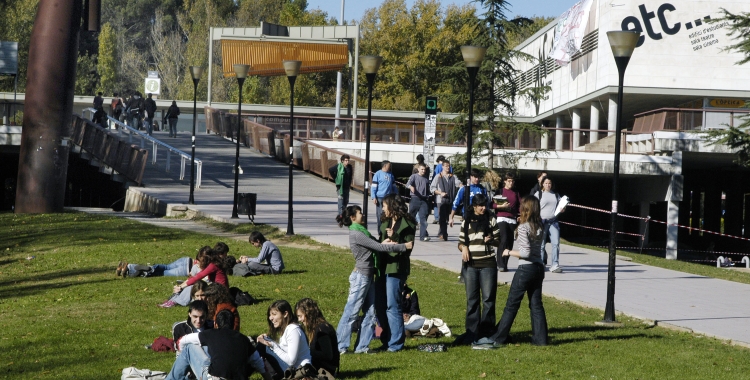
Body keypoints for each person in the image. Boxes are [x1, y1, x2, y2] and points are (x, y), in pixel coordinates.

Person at [472, 196, 549, 349]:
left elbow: (525, 253)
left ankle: (498, 338)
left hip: (526, 268)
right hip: (538, 268)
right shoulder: (539, 226)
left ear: (525, 209)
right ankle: (541, 339)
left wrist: (508, 252)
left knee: (511, 305)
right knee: (536, 305)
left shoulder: (523, 227)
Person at [336, 205, 412, 354]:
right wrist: (404, 246)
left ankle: (362, 347)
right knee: (351, 312)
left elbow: (377, 244)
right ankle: (340, 346)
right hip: (361, 277)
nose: (362, 215)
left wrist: (387, 240)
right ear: (353, 218)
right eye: (360, 213)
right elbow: (379, 248)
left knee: (371, 312)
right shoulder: (357, 233)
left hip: (369, 275)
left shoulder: (362, 232)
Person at [165, 309, 269, 380]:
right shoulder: (244, 339)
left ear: (215, 324)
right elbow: (258, 361)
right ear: (233, 325)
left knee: (189, 348)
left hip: (215, 377)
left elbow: (183, 340)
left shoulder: (210, 333)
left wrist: (181, 353)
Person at [455, 193, 501, 346]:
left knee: (488, 299)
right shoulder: (466, 221)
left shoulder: (491, 219)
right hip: (471, 266)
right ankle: (472, 332)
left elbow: (499, 241)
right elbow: (460, 243)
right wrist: (464, 248)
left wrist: (491, 240)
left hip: (488, 264)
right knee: (472, 300)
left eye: (485, 205)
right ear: (474, 206)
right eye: (480, 205)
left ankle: (487, 331)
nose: (483, 208)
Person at [376, 194, 415, 352]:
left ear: (392, 206)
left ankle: (396, 343)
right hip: (383, 266)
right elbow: (380, 242)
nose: (383, 208)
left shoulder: (408, 223)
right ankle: (386, 339)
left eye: (385, 205)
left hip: (396, 268)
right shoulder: (385, 221)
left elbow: (409, 246)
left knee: (393, 305)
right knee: (380, 305)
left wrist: (396, 237)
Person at [257, 300, 314, 378]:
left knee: (263, 346)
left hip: (298, 372)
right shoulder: (287, 329)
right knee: (263, 344)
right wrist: (268, 340)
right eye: (270, 315)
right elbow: (283, 352)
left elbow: (291, 361)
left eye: (274, 314)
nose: (270, 318)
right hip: (293, 369)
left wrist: (272, 345)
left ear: (285, 314)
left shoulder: (293, 330)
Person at [160, 248, 229, 308]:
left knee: (193, 287)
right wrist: (181, 285)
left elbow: (199, 276)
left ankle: (176, 301)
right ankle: (173, 300)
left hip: (220, 292)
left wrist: (181, 287)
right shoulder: (213, 264)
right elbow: (195, 276)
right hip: (217, 289)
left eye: (202, 260)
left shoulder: (213, 266)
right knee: (192, 285)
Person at [295, 298, 340, 378]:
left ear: (308, 313)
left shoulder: (322, 329)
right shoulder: (316, 328)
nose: (299, 320)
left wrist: (308, 352)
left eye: (300, 316)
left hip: (326, 370)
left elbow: (328, 355)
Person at [535, 176, 565, 273]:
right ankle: (540, 264)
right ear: (542, 184)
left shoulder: (556, 195)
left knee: (555, 243)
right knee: (542, 244)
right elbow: (533, 206)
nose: (548, 185)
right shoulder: (538, 194)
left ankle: (555, 265)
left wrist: (562, 209)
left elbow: (561, 206)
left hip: (553, 221)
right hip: (542, 221)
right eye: (546, 183)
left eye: (550, 183)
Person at [493, 172, 521, 272]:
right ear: (505, 181)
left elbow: (519, 206)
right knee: (503, 239)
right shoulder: (500, 191)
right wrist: (501, 206)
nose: (511, 183)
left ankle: (505, 264)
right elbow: (492, 204)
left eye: (512, 181)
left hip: (512, 219)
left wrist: (520, 215)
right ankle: (500, 263)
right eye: (509, 181)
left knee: (509, 242)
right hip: (501, 218)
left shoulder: (516, 193)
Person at [430, 159, 462, 241]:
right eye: (446, 166)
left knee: (447, 218)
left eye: (449, 166)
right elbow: (432, 188)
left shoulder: (453, 177)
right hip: (441, 201)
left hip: (450, 200)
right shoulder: (438, 176)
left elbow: (458, 183)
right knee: (442, 218)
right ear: (442, 166)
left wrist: (462, 186)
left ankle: (442, 232)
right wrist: (440, 193)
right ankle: (444, 234)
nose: (448, 167)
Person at [371, 161, 397, 237]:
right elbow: (374, 187)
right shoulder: (378, 174)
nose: (390, 167)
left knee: (389, 214)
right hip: (380, 197)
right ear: (385, 166)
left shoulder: (391, 174)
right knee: (380, 215)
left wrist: (396, 195)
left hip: (388, 198)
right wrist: (373, 197)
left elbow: (394, 186)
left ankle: (387, 231)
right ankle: (380, 232)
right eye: (389, 165)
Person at [406, 163, 431, 241]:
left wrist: (429, 196)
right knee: (411, 217)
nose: (423, 171)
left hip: (423, 200)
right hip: (415, 198)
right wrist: (411, 187)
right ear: (418, 169)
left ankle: (423, 236)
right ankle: (408, 235)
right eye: (422, 169)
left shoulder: (426, 179)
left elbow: (428, 190)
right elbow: (407, 184)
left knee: (423, 218)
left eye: (424, 169)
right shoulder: (414, 176)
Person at [329, 155, 353, 220]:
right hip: (340, 187)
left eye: (348, 160)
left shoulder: (350, 167)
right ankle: (340, 215)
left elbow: (350, 176)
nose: (347, 162)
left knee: (346, 201)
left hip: (347, 186)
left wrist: (350, 183)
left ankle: (344, 213)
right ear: (342, 161)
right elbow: (330, 170)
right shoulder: (339, 166)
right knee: (341, 200)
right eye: (346, 160)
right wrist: (335, 178)